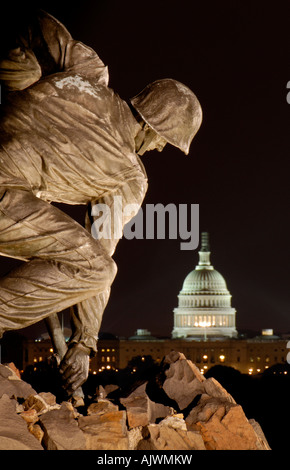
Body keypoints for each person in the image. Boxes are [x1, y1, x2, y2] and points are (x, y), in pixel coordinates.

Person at [0, 10, 202, 394]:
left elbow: (39, 24)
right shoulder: (129, 176)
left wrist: (17, 68)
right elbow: (97, 259)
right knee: (97, 269)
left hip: (15, 194)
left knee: (69, 256)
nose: (159, 148)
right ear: (154, 126)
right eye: (165, 141)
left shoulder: (88, 73)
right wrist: (84, 343)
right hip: (5, 195)